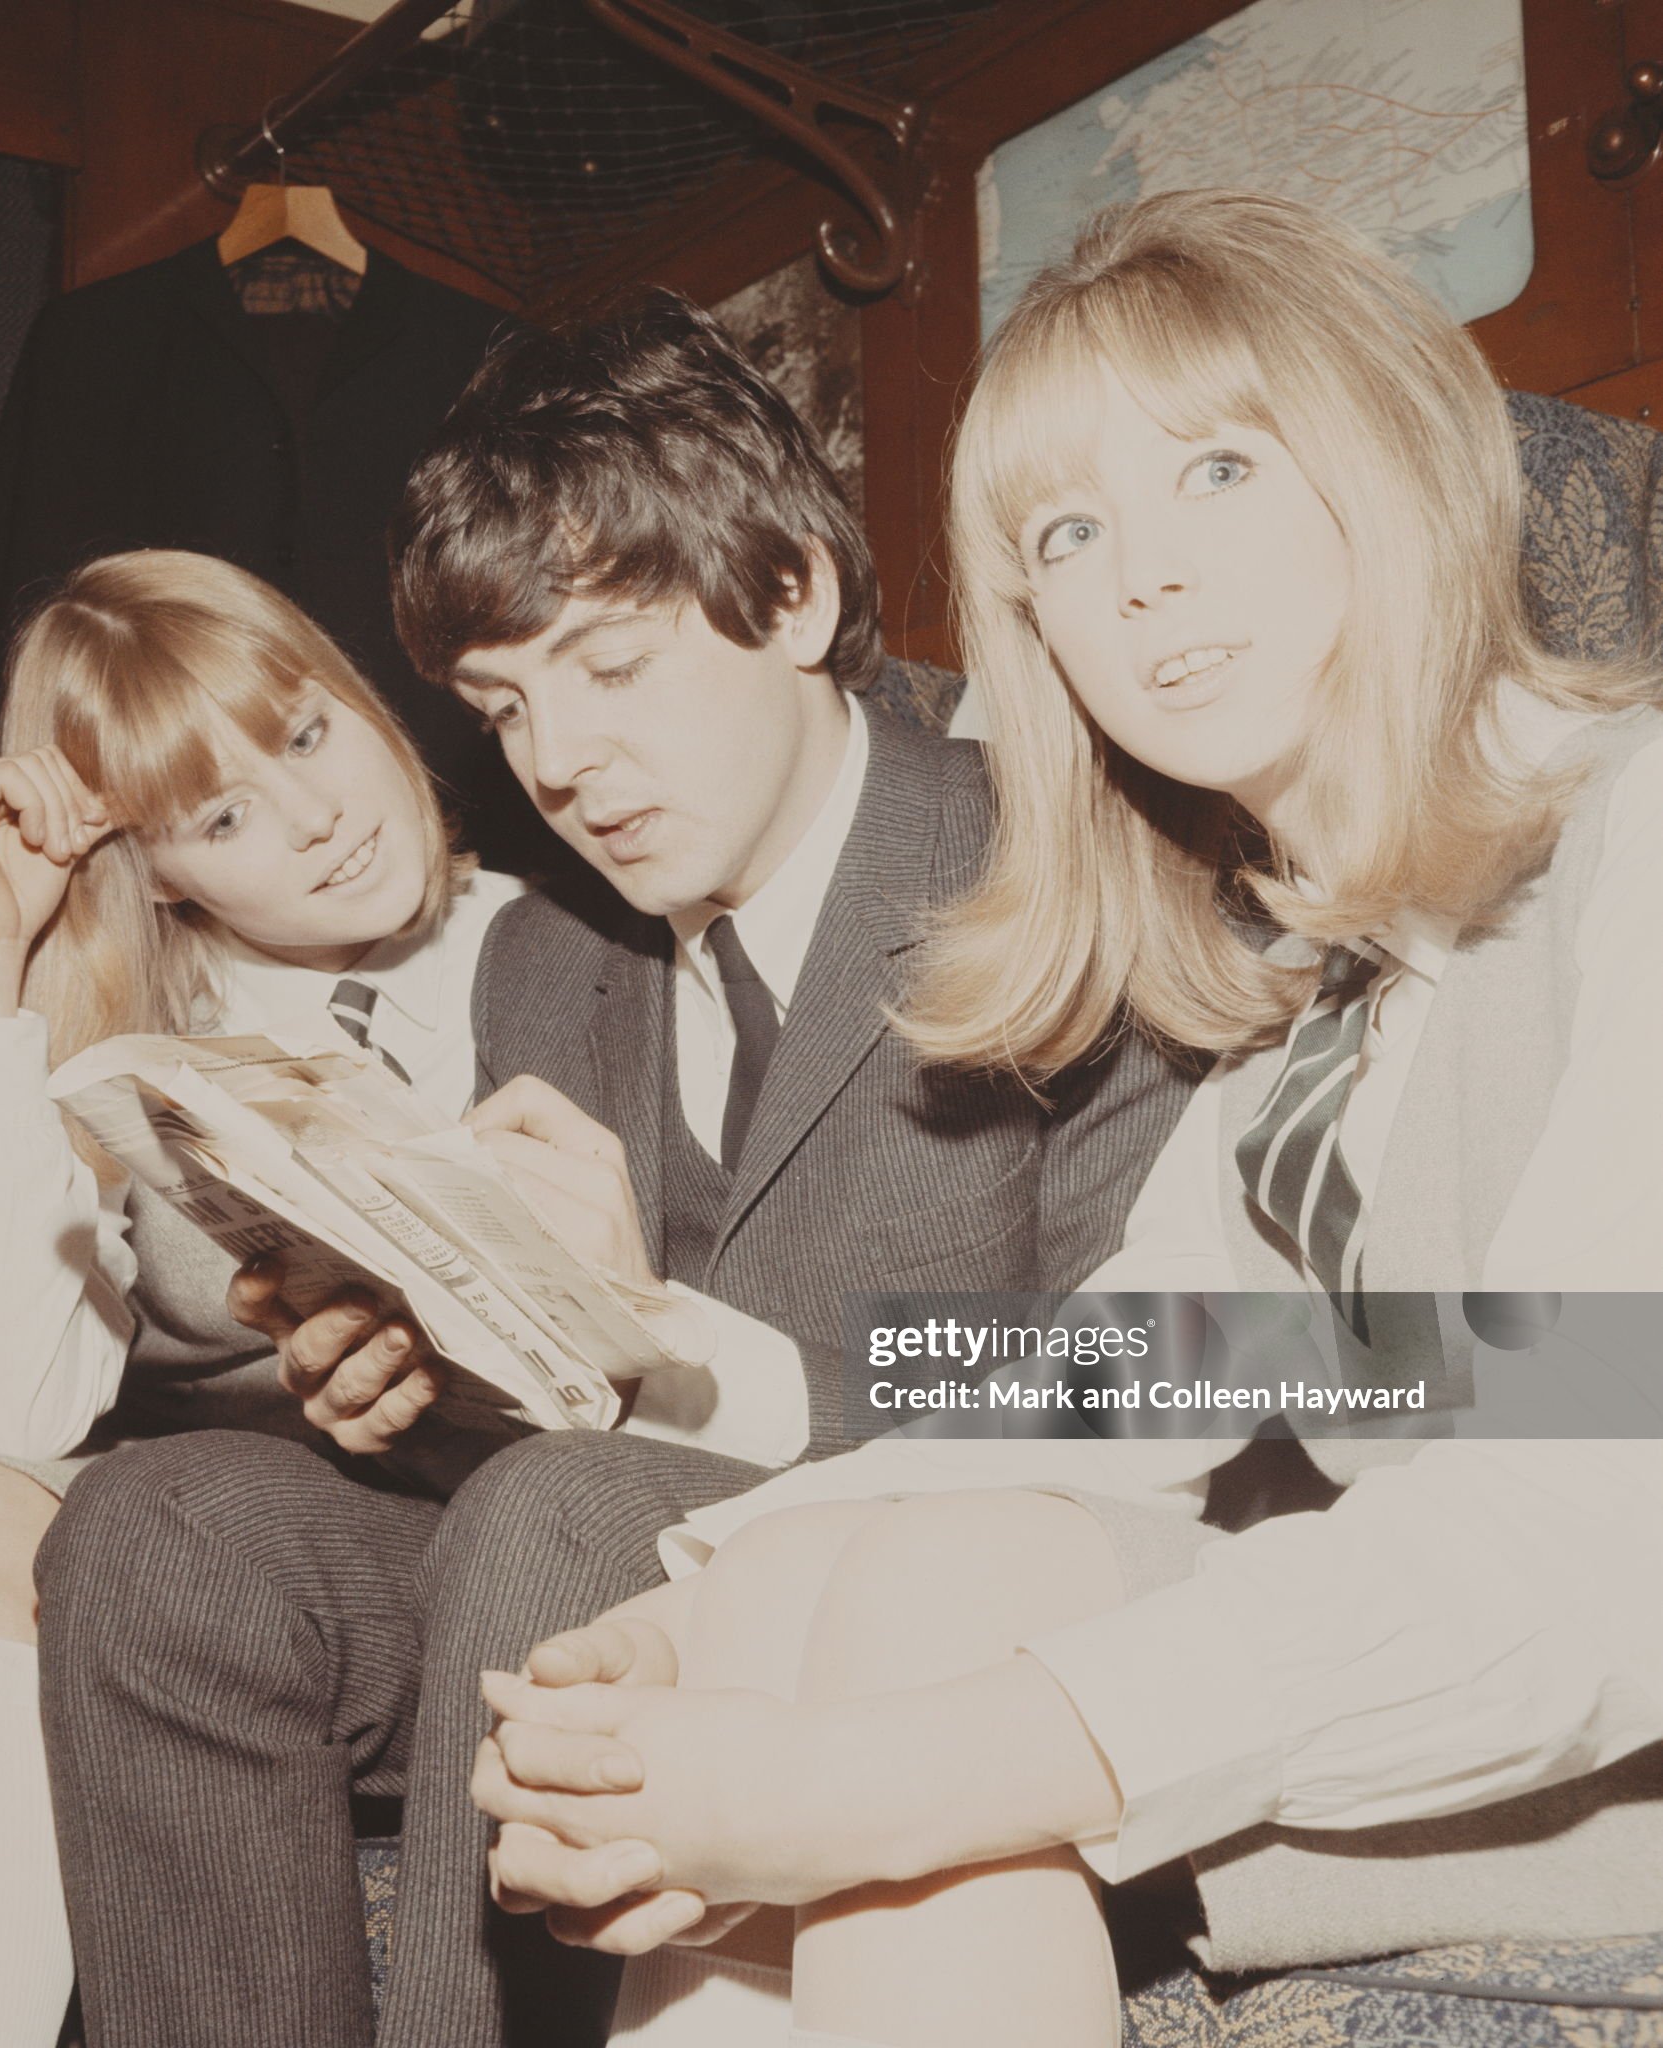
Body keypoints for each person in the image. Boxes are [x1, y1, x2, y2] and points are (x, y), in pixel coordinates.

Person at [471, 190, 1663, 2048]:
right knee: (849, 1566)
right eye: (1068, 533)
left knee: (930, 1759)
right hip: (1487, 1679)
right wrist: (689, 1625)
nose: (1139, 579)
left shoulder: (1640, 832)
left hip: (1600, 1693)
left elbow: (1601, 1526)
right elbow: (1106, 1385)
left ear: (1396, 457)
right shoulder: (1300, 1009)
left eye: (1216, 473)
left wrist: (872, 1781)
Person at [29, 291, 1195, 2048]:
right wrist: (408, 1374)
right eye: (504, 708)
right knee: (153, 1525)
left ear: (792, 595)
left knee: (559, 1510)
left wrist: (671, 1348)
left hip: (926, 1553)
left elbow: (1157, 1372)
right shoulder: (541, 962)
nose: (559, 766)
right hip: (578, 1543)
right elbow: (543, 1418)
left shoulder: (1062, 849)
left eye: (613, 667)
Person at [0, 548, 526, 2047]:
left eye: (308, 734)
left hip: (522, 1543)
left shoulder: (581, 940)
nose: (322, 821)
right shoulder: (141, 1036)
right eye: (220, 814)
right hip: (239, 1578)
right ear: (156, 866)